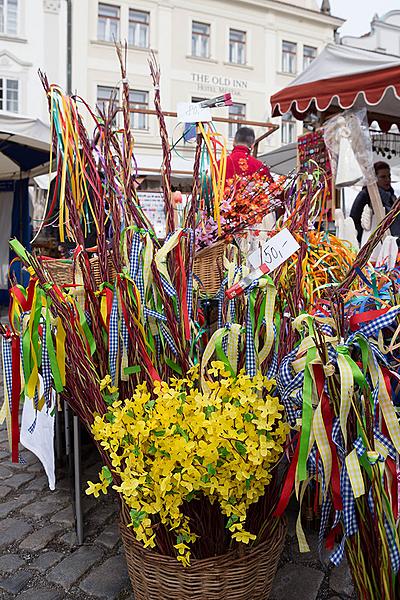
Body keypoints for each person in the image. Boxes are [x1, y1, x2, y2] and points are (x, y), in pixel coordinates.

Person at [350, 161, 400, 246]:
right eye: (383, 177)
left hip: (392, 242)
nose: (388, 180)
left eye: (389, 176)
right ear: (374, 178)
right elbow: (354, 220)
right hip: (372, 244)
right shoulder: (365, 195)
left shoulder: (392, 197)